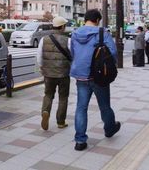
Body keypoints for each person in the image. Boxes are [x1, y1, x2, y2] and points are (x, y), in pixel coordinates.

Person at [70, 9, 120, 151]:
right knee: (104, 105)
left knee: (81, 107)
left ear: (85, 19)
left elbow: (73, 52)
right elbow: (113, 52)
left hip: (80, 75)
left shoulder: (75, 33)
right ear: (97, 20)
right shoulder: (102, 33)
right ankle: (109, 129)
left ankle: (80, 141)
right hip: (98, 76)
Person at [36, 16, 71, 130]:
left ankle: (45, 112)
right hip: (63, 74)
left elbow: (39, 57)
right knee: (63, 97)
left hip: (49, 74)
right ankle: (61, 122)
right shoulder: (68, 40)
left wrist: (42, 68)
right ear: (62, 27)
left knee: (48, 95)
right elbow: (73, 56)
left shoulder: (44, 39)